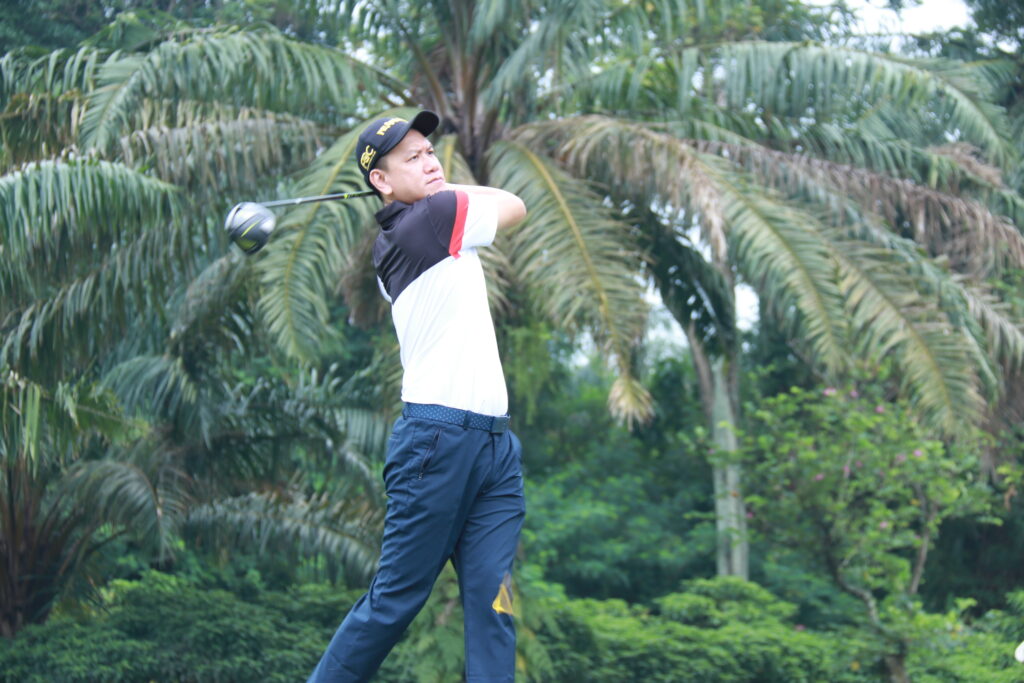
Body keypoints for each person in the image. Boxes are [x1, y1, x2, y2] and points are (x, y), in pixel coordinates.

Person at [307, 110, 528, 682]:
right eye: (413, 158)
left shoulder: (431, 218)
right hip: (438, 440)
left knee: (495, 604)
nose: (431, 162)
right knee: (395, 600)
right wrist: (443, 188)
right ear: (380, 181)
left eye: (431, 152)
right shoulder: (430, 219)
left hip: (494, 448)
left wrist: (428, 182)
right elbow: (515, 205)